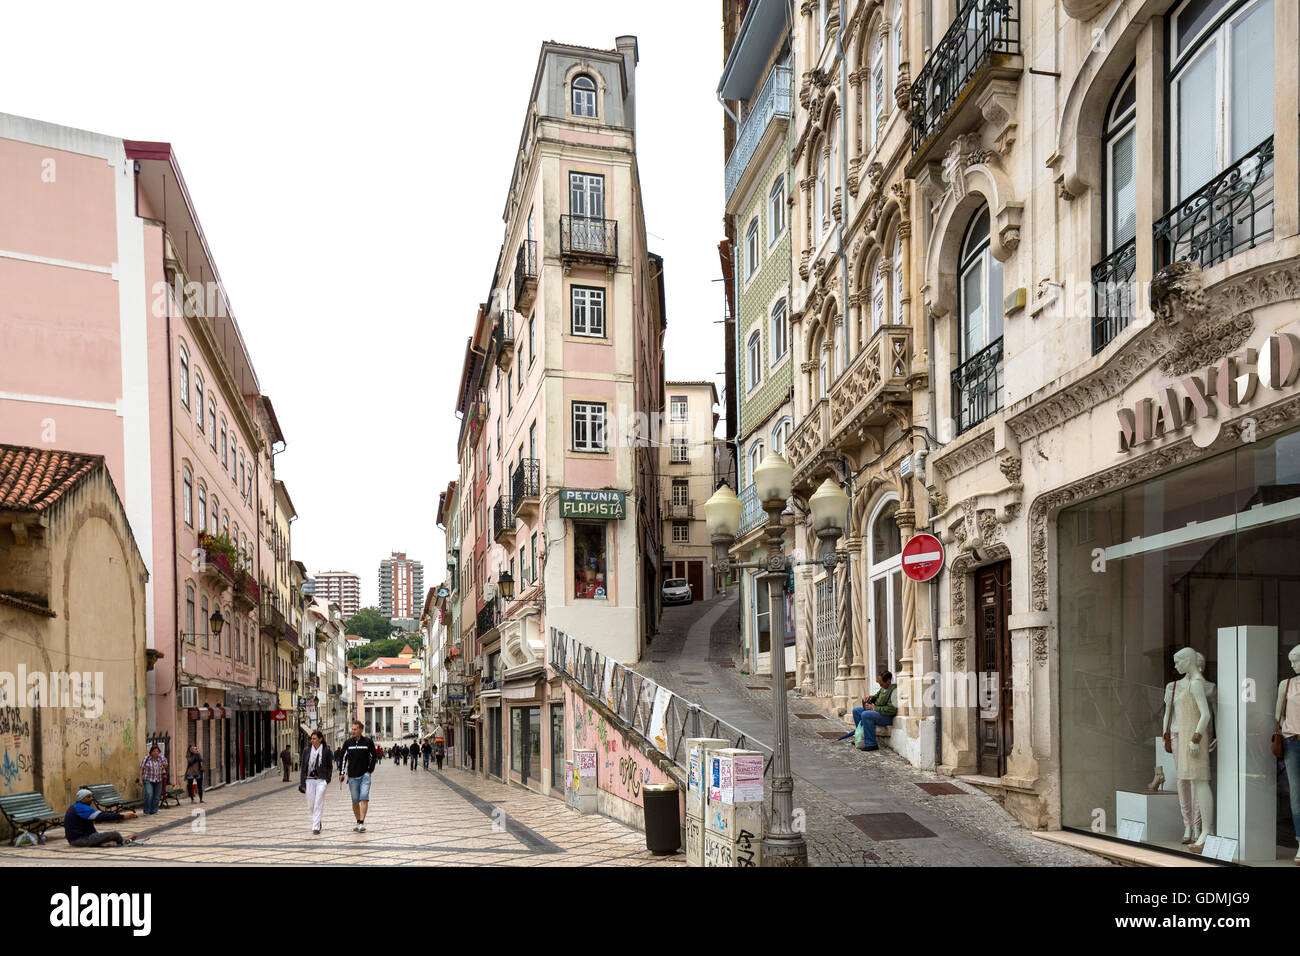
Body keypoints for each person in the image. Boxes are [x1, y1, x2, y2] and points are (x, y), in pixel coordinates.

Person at [65, 789, 141, 847]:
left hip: (80, 838)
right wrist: (123, 816)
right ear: (82, 799)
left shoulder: (77, 806)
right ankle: (124, 841)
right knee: (115, 834)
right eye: (88, 797)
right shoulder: (81, 808)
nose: (92, 798)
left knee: (105, 836)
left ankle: (105, 843)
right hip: (79, 839)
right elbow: (102, 816)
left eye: (92, 796)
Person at [339, 719, 378, 832]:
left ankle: (361, 822)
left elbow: (373, 757)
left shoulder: (368, 742)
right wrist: (342, 773)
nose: (353, 731)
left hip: (365, 776)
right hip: (352, 776)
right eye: (352, 729)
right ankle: (358, 821)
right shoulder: (348, 743)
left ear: (361, 730)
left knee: (364, 798)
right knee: (355, 801)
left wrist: (369, 771)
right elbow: (343, 758)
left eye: (355, 729)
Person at [852, 672, 898, 752]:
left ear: (888, 681)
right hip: (878, 712)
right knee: (856, 711)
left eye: (881, 684)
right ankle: (861, 739)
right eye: (879, 683)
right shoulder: (883, 688)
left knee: (866, 714)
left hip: (886, 716)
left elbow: (892, 710)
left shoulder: (894, 690)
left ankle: (871, 744)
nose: (880, 685)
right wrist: (870, 698)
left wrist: (874, 708)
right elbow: (876, 696)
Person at [299, 729, 333, 835]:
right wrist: (302, 783)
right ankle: (317, 821)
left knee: (318, 802)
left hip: (321, 780)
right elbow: (303, 767)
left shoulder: (326, 750)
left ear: (320, 739)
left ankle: (315, 827)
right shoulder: (306, 750)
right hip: (309, 780)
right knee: (311, 804)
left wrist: (327, 779)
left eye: (314, 739)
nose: (312, 741)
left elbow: (329, 766)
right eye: (311, 739)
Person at [138, 744, 168, 814]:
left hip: (158, 779)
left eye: (157, 751)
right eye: (154, 751)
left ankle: (154, 811)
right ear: (151, 752)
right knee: (149, 794)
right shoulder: (146, 758)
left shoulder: (162, 758)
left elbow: (166, 766)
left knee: (157, 796)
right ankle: (147, 810)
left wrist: (164, 764)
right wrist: (140, 779)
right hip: (148, 779)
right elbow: (141, 769)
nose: (156, 752)